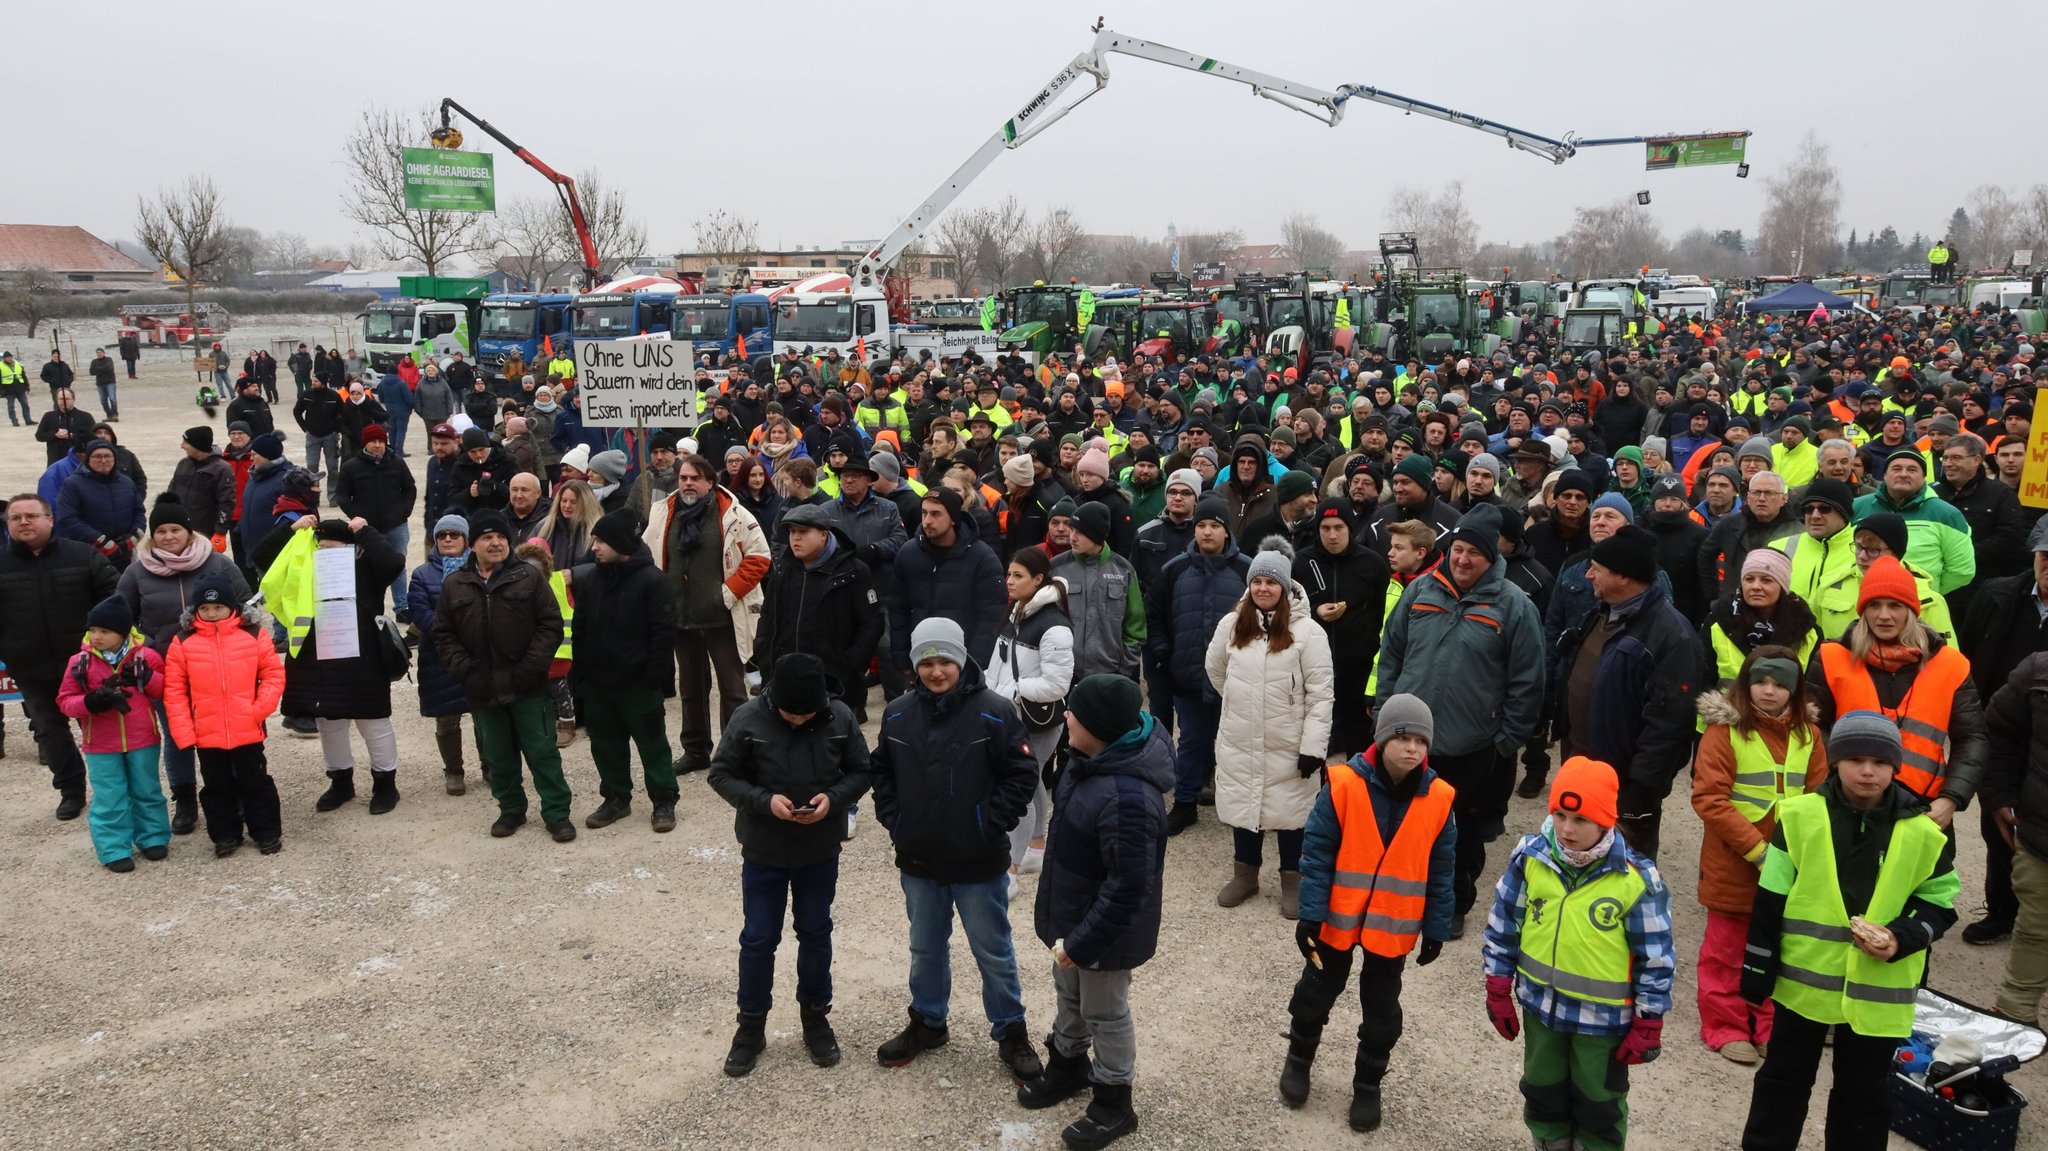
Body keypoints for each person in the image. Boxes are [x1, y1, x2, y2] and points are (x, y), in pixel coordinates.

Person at [1737, 712, 1960, 1151]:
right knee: (1782, 1083)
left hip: (1880, 993)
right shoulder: (1800, 816)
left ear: (1895, 767)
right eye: (1855, 758)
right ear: (1834, 762)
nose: (1867, 770)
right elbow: (1770, 900)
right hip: (1803, 985)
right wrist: (1756, 974)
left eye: (1879, 761)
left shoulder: (1923, 833)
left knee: (1865, 1097)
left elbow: (1940, 903)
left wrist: (1901, 938)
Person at [868, 617, 1044, 1083]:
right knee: (925, 948)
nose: (936, 671)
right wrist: (896, 820)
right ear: (914, 665)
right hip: (919, 857)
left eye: (945, 660)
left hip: (977, 859)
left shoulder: (995, 711)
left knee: (993, 950)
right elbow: (881, 770)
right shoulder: (899, 712)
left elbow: (1021, 772)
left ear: (962, 660)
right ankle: (928, 1022)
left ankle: (1011, 1031)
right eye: (927, 662)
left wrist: (990, 823)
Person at [1483, 757, 1675, 1151]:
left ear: (1605, 821)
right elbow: (1504, 922)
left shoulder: (1636, 880)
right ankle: (1550, 1143)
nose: (1566, 829)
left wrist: (1649, 1019)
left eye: (1580, 819)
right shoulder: (1531, 859)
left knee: (1599, 1104)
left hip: (1602, 1023)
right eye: (1559, 815)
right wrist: (1498, 983)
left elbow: (1655, 956)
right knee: (1542, 1091)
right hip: (1541, 1010)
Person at [1285, 694, 1456, 1132]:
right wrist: (1310, 913)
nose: (1413, 748)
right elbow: (1318, 853)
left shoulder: (1439, 799)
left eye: (1421, 739)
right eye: (1403, 736)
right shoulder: (1343, 784)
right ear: (1382, 738)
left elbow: (1442, 867)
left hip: (1392, 927)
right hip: (1336, 919)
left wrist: (1436, 925)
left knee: (1382, 1011)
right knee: (1316, 992)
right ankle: (1299, 1058)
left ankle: (1368, 1085)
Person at [1016, 674, 1171, 1149]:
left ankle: (1113, 1101)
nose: (1064, 716)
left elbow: (1128, 889)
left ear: (1098, 727)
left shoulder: (1127, 797)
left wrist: (1082, 943)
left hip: (1104, 935)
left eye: (1073, 713)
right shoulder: (1087, 763)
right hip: (1073, 925)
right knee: (1070, 997)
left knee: (1105, 1012)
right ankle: (1068, 1066)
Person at [1376, 503, 1543, 932]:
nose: (1463, 559)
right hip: (1411, 739)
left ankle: (1452, 905)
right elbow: (1392, 652)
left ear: (1492, 559)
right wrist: (1385, 712)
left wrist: (1506, 741)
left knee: (1463, 832)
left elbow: (1528, 681)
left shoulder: (1514, 606)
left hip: (1473, 744)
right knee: (1405, 822)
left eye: (1475, 553)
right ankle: (1406, 895)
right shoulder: (1421, 591)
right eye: (1458, 549)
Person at [709, 652, 874, 1077]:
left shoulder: (839, 717)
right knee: (759, 939)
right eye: (789, 714)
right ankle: (750, 1027)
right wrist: (765, 802)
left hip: (819, 851)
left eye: (808, 714)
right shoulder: (747, 718)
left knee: (816, 933)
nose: (799, 720)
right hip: (763, 850)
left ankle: (815, 1018)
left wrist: (833, 800)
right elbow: (721, 773)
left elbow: (861, 770)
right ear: (772, 697)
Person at [1690, 648, 1827, 1065]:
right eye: (1761, 682)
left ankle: (1767, 1024)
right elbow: (1710, 799)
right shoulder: (1723, 732)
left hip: (1790, 861)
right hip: (1735, 860)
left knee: (1780, 947)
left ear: (1795, 689)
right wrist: (1758, 852)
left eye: (1780, 684)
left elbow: (1821, 798)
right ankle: (1724, 1025)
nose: (1769, 691)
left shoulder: (1810, 735)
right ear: (1746, 683)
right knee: (1726, 949)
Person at [1554, 523, 1706, 860]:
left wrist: (1640, 793)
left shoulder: (1673, 637)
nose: (1589, 576)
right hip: (1582, 768)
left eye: (1597, 569)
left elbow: (1670, 725)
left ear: (1623, 576)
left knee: (1624, 871)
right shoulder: (1603, 613)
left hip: (1625, 788)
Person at [1809, 556, 1985, 831]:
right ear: (1862, 611)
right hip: (1847, 804)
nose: (1884, 615)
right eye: (1874, 605)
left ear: (1912, 611)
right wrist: (1843, 774)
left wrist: (1951, 799)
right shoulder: (1830, 658)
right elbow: (1812, 730)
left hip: (1925, 809)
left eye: (1895, 605)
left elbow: (1972, 738)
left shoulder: (1951, 664)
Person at [1206, 540, 1334, 917]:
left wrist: (1314, 746)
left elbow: (1321, 694)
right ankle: (1245, 875)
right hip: (1241, 737)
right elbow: (1216, 670)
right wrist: (1239, 700)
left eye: (1271, 582)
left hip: (1288, 742)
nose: (1263, 588)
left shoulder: (1309, 633)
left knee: (1292, 815)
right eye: (1257, 581)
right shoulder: (1232, 624)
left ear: (1285, 587)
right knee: (1246, 809)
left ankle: (1292, 881)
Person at [431, 509, 574, 841]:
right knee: (498, 756)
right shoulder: (455, 585)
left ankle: (556, 813)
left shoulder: (529, 576)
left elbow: (550, 625)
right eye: (487, 538)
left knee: (542, 751)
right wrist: (466, 670)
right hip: (482, 688)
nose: (495, 543)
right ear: (473, 545)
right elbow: (443, 634)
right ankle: (511, 810)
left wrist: (529, 669)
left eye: (501, 537)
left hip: (528, 686)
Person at [118, 493, 249, 835]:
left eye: (175, 529)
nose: (168, 536)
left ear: (189, 533)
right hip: (164, 670)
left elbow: (245, 607)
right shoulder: (137, 571)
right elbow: (121, 621)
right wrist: (147, 647)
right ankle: (186, 799)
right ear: (152, 535)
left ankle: (232, 792)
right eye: (161, 531)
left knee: (223, 731)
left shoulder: (217, 563)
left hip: (217, 668)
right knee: (177, 736)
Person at [262, 516, 407, 815]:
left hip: (364, 653)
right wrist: (290, 530)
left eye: (335, 548)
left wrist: (365, 530)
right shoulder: (305, 566)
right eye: (322, 547)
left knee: (373, 721)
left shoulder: (368, 567)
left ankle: (385, 784)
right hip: (318, 654)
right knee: (329, 721)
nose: (328, 554)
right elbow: (261, 558)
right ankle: (341, 781)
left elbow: (394, 563)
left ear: (352, 548)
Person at [643, 453, 771, 777]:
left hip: (723, 617)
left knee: (732, 689)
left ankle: (734, 755)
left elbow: (759, 557)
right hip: (681, 618)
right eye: (683, 477)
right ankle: (696, 750)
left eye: (694, 478)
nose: (687, 483)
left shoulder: (735, 514)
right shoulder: (662, 512)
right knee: (690, 689)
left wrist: (726, 594)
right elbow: (648, 554)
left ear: (709, 482)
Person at [1956, 517, 2048, 945]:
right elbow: (1969, 659)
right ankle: (2002, 911)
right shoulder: (1997, 595)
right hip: (2002, 727)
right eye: (2046, 556)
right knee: (2000, 821)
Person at [0, 492, 119, 818]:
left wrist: (104, 643)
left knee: (101, 728)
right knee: (50, 730)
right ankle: (71, 790)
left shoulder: (83, 556)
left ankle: (112, 792)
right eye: (15, 518)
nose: (23, 522)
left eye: (31, 516)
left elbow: (115, 599)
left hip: (85, 664)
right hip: (30, 666)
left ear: (50, 519)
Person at [570, 509, 680, 833]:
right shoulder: (590, 579)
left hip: (639, 685)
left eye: (601, 542)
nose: (595, 548)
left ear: (620, 543)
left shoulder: (653, 581)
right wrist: (582, 678)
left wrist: (651, 679)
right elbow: (580, 629)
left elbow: (663, 635)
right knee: (605, 745)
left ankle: (664, 800)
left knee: (653, 744)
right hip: (598, 685)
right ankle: (616, 798)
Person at [162, 573, 287, 857]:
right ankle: (225, 834)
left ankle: (266, 831)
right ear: (196, 611)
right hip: (207, 731)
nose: (212, 613)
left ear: (233, 607)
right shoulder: (183, 641)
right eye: (205, 609)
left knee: (255, 782)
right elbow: (175, 690)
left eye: (218, 607)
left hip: (247, 727)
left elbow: (273, 674)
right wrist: (184, 729)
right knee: (216, 786)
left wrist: (258, 709)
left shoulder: (254, 634)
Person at [1148, 494, 1250, 834]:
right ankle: (1186, 803)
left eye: (1214, 526)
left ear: (1226, 531)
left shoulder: (1247, 571)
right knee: (1191, 741)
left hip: (1236, 678)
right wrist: (1164, 650)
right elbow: (1156, 616)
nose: (1207, 532)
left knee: (1237, 744)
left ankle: (1239, 807)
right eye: (1202, 525)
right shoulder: (1174, 570)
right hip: (1189, 673)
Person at [56, 596, 169, 871]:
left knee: (148, 790)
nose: (96, 636)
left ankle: (153, 837)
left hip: (143, 738)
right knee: (110, 796)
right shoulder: (79, 662)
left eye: (104, 631)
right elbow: (64, 701)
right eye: (93, 630)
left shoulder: (147, 657)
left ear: (123, 632)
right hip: (100, 744)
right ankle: (113, 848)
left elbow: (165, 689)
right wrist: (89, 702)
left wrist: (148, 678)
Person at [986, 546, 1073, 886]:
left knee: (1018, 783)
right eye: (1008, 574)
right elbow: (999, 663)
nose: (1009, 581)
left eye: (1017, 575)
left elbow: (1057, 685)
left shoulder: (1054, 626)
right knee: (1031, 778)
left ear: (1038, 579)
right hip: (1009, 715)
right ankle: (1037, 846)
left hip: (1036, 721)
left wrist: (1010, 692)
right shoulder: (1016, 612)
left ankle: (1010, 867)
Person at [1292, 501, 1389, 757]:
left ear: (1350, 528)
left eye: (1339, 527)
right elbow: (1286, 609)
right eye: (1325, 528)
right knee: (1317, 744)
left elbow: (1383, 613)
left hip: (1359, 668)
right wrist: (1316, 611)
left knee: (1359, 747)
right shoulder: (1300, 562)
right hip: (1312, 668)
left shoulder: (1373, 564)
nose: (1332, 535)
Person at [1983, 651, 2048, 1022]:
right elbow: (1997, 731)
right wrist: (1998, 794)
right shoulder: (2038, 670)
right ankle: (2016, 1012)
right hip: (2042, 831)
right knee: (2036, 925)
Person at [888, 486, 1006, 677]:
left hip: (964, 662)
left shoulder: (982, 557)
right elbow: (898, 609)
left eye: (936, 514)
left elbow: (991, 618)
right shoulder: (908, 554)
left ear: (953, 518)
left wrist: (975, 664)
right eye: (924, 513)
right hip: (920, 660)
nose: (927, 521)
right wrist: (903, 659)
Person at [409, 515, 479, 795]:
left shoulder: (481, 568)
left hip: (476, 653)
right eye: (442, 535)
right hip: (439, 657)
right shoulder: (421, 575)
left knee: (485, 716)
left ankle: (491, 765)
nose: (447, 539)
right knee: (446, 718)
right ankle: (454, 770)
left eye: (454, 534)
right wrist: (454, 632)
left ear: (465, 539)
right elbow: (421, 613)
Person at [1851, 448, 1975, 596]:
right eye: (1896, 469)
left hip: (1919, 605)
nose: (1903, 474)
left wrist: (1927, 592)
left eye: (1912, 469)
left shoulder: (1946, 514)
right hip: (1857, 598)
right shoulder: (1856, 507)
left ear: (1924, 477)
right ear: (1884, 474)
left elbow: (1961, 570)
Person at [1050, 504, 1144, 682]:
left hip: (1111, 674)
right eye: (1072, 530)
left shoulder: (1123, 570)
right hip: (1064, 674)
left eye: (1080, 532)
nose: (1072, 537)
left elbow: (1135, 626)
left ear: (1097, 535)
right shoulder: (1056, 568)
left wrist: (1124, 670)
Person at [335, 424, 417, 614]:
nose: (378, 445)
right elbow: (342, 495)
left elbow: (410, 488)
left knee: (398, 566)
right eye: (373, 441)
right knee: (366, 568)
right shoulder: (351, 467)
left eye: (381, 441)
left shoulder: (397, 462)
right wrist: (355, 516)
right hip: (366, 530)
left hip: (396, 525)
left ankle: (402, 607)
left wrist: (404, 512)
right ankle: (368, 608)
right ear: (366, 443)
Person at [1772, 477, 1860, 639]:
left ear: (1844, 513)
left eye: (1825, 509)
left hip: (1842, 650)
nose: (1815, 515)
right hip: (1785, 647)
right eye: (1808, 509)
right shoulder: (1778, 547)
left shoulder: (1864, 550)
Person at [1701, 470, 1799, 601]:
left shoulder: (1798, 532)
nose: (1762, 498)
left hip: (1779, 608)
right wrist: (1714, 597)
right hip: (1733, 607)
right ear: (1748, 497)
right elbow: (1705, 557)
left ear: (1784, 499)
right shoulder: (1729, 524)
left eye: (1769, 493)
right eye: (1756, 492)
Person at [56, 439, 144, 571]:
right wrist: (100, 541)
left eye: (108, 456)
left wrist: (135, 535)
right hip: (89, 552)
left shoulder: (126, 482)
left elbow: (139, 511)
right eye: (98, 456)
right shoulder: (73, 484)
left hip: (123, 552)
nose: (103, 460)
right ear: (87, 459)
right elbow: (67, 518)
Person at [168, 425, 236, 551]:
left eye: (186, 442)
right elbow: (171, 494)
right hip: (179, 532)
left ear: (197, 445)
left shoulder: (222, 469)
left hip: (204, 535)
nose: (182, 446)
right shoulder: (183, 464)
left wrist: (220, 533)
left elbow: (226, 503)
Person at [36, 388, 96, 467]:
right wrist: (55, 434)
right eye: (61, 399)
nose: (64, 401)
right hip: (55, 460)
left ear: (73, 399)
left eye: (67, 399)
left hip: (79, 460)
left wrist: (72, 436)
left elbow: (93, 437)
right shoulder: (49, 416)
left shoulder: (85, 416)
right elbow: (39, 435)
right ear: (56, 400)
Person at [0, 349, 31, 425]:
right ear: (4, 358)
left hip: (20, 388)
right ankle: (14, 421)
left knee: (25, 405)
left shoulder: (18, 364)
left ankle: (28, 420)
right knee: (11, 406)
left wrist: (27, 385)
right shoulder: (0, 365)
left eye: (10, 357)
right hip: (8, 389)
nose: (10, 359)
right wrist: (1, 390)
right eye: (8, 357)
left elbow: (23, 375)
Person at [88, 347, 118, 419]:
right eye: (97, 353)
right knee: (103, 400)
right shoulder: (94, 361)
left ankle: (114, 413)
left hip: (110, 382)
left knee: (112, 399)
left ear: (103, 353)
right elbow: (91, 372)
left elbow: (109, 368)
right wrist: (103, 369)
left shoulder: (109, 359)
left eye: (100, 352)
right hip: (100, 383)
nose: (99, 354)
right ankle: (109, 414)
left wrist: (98, 368)